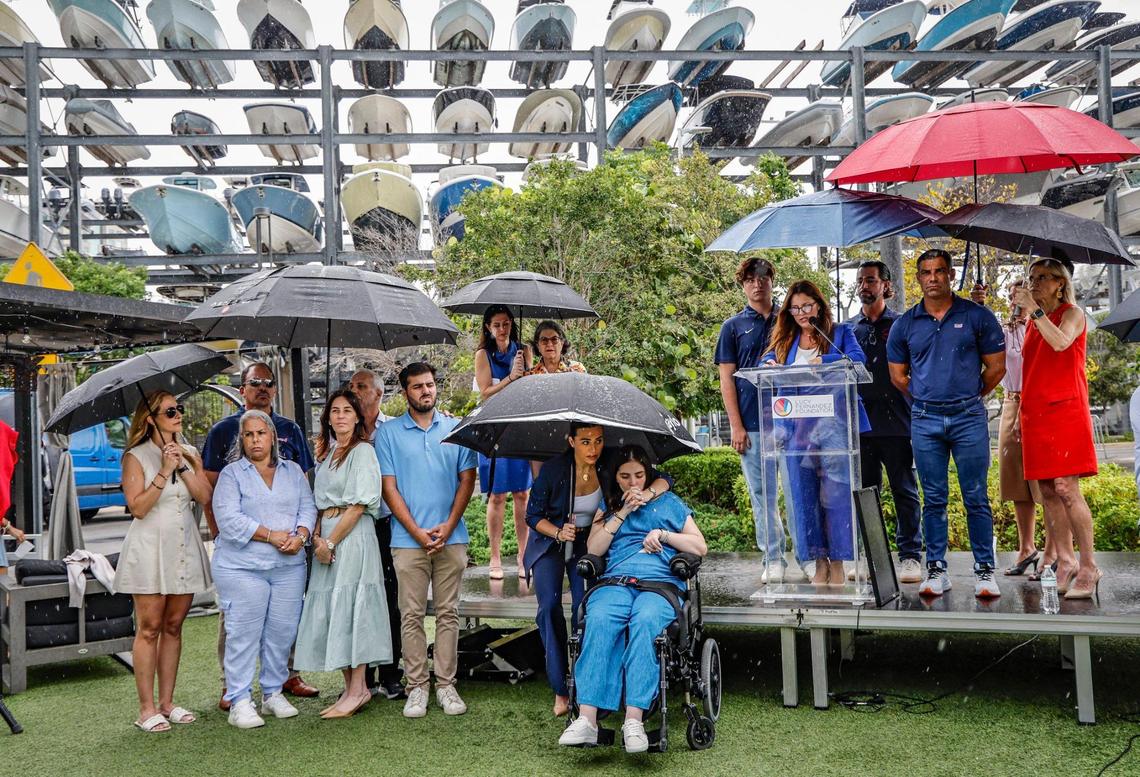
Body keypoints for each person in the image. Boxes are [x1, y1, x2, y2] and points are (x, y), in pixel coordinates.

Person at [558, 445, 707, 753]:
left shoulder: (668, 502)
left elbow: (699, 546)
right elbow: (595, 550)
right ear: (615, 478)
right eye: (625, 477)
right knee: (598, 619)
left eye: (639, 475)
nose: (633, 483)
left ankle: (634, 721)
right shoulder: (608, 506)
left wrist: (663, 535)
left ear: (648, 474)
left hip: (659, 583)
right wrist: (623, 512)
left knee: (646, 621)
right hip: (615, 581)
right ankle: (587, 719)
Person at [523, 423, 671, 718]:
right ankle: (560, 688)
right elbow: (532, 515)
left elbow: (663, 479)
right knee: (549, 607)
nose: (593, 449)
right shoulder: (554, 470)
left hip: (590, 543)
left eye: (599, 441)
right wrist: (556, 531)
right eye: (586, 441)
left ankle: (585, 685)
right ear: (571, 441)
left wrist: (647, 495)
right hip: (551, 541)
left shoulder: (610, 462)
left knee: (585, 607)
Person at [887, 249, 1006, 599]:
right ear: (918, 277)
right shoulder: (905, 324)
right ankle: (936, 569)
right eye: (926, 272)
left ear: (951, 275)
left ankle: (985, 570)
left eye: (940, 271)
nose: (933, 277)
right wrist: (928, 397)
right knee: (934, 498)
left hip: (968, 416)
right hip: (924, 419)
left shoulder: (977, 316)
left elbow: (996, 367)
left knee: (976, 497)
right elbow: (898, 375)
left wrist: (969, 394)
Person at [202, 362, 318, 710]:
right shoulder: (226, 447)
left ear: (273, 438)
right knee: (242, 628)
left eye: (269, 382)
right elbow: (220, 505)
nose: (263, 387)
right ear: (243, 388)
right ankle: (235, 694)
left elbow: (307, 502)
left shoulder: (291, 445)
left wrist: (301, 534)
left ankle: (275, 690)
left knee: (282, 628)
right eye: (255, 382)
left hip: (287, 562)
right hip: (243, 562)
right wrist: (268, 535)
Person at [375, 363, 477, 719]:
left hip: (452, 537)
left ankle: (446, 685)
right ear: (405, 392)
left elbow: (467, 480)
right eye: (417, 386)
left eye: (430, 385)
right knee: (412, 614)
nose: (425, 391)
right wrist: (418, 533)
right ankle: (417, 686)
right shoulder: (387, 434)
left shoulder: (455, 428)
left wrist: (448, 527)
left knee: (449, 613)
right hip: (407, 540)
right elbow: (389, 488)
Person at [115, 391, 213, 732]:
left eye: (179, 409)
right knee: (150, 627)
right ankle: (146, 708)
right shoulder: (135, 456)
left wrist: (182, 464)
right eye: (170, 410)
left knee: (174, 625)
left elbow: (204, 496)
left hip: (183, 545)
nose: (178, 415)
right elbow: (138, 508)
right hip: (149, 549)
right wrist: (163, 470)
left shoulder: (190, 452)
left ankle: (167, 702)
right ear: (150, 418)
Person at [761, 280, 870, 585]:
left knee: (834, 497)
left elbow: (858, 362)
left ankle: (837, 562)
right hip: (797, 432)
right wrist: (769, 363)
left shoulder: (839, 333)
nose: (801, 313)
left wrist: (826, 360)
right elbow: (764, 364)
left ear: (819, 305)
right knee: (803, 497)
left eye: (806, 306)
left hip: (834, 429)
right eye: (795, 308)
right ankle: (817, 561)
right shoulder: (786, 339)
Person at [293, 389, 392, 719]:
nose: (339, 416)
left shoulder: (363, 452)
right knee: (335, 608)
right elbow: (320, 504)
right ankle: (350, 688)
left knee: (354, 606)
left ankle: (360, 687)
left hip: (352, 538)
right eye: (334, 411)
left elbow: (359, 505)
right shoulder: (328, 455)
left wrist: (331, 543)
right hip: (327, 540)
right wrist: (318, 540)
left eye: (346, 411)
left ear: (357, 417)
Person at [1013, 258, 1101, 600]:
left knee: (1067, 488)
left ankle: (1089, 565)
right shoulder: (1035, 320)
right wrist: (1022, 413)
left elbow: (1062, 343)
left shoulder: (1072, 314)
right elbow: (1031, 370)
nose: (1035, 282)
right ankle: (1065, 561)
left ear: (1061, 284)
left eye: (1044, 278)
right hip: (1035, 415)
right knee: (1047, 492)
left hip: (1065, 411)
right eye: (1032, 277)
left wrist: (1033, 311)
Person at [714, 256, 788, 582]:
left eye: (763, 277)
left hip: (792, 422)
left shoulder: (790, 319)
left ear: (772, 280)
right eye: (750, 279)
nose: (758, 283)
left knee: (800, 494)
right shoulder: (732, 327)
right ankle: (773, 558)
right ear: (743, 285)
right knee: (762, 496)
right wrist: (736, 425)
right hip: (752, 425)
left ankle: (813, 558)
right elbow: (726, 378)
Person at [853, 261, 924, 584]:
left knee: (904, 490)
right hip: (861, 426)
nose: (864, 286)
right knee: (867, 494)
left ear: (885, 285)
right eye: (860, 281)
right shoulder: (849, 329)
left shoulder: (903, 324)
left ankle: (910, 555)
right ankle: (871, 554)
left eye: (870, 280)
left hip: (897, 423)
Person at [971, 281, 1045, 578]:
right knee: (1016, 483)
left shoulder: (1041, 326)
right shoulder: (1005, 330)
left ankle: (1053, 552)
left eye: (1022, 293)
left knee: (1044, 486)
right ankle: (1027, 548)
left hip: (1037, 403)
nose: (1016, 298)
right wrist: (979, 306)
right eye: (1013, 294)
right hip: (1011, 402)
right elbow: (981, 343)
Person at [348, 369, 406, 701]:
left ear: (378, 394)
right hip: (355, 526)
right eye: (352, 386)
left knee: (390, 600)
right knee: (359, 599)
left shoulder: (393, 430)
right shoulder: (343, 428)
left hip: (387, 523)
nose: (353, 391)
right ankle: (362, 676)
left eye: (360, 386)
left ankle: (391, 672)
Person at [473, 305, 533, 580]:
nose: (502, 329)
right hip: (494, 426)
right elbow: (486, 393)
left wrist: (524, 373)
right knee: (497, 495)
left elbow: (531, 388)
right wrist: (510, 377)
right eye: (496, 324)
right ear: (488, 327)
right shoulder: (482, 355)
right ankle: (495, 556)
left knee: (522, 493)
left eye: (506, 323)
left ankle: (523, 554)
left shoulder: (524, 351)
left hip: (519, 426)